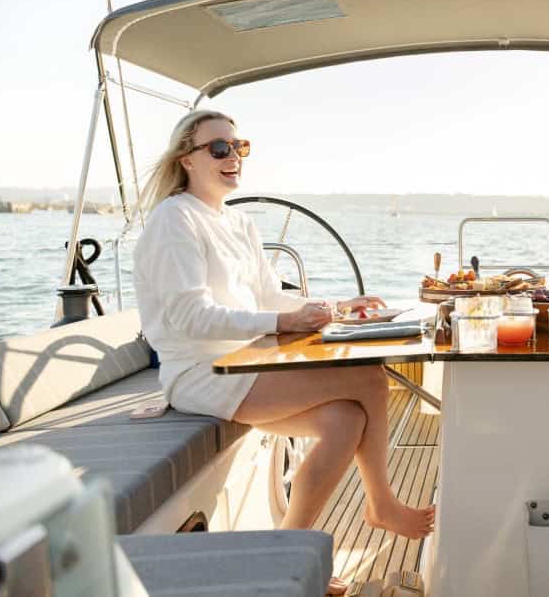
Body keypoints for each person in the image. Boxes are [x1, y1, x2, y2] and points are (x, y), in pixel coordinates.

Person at [133, 110, 435, 596]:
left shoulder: (237, 221)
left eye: (238, 147)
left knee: (345, 420)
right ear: (186, 159)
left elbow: (272, 297)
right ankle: (381, 504)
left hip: (251, 363)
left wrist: (334, 308)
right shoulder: (175, 220)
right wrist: (282, 324)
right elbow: (193, 317)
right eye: (219, 148)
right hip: (200, 373)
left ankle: (290, 553)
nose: (233, 156)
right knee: (368, 378)